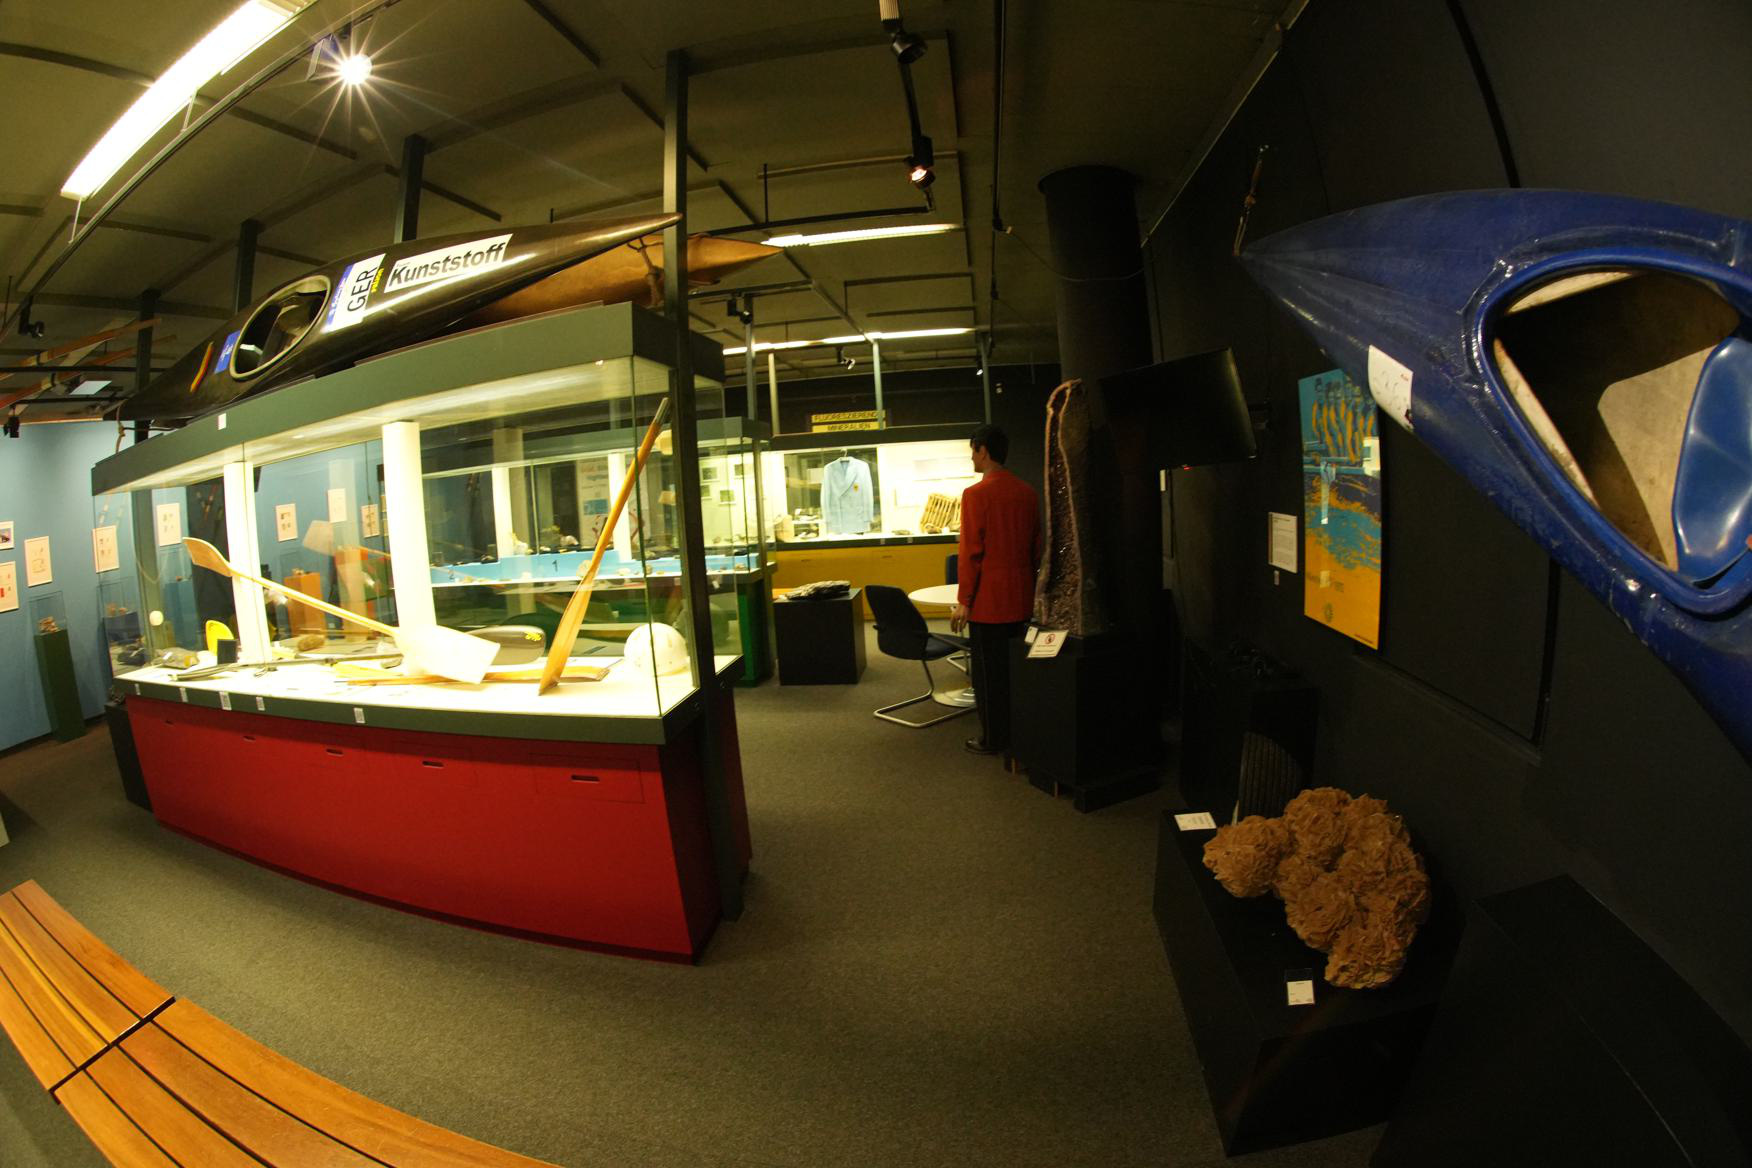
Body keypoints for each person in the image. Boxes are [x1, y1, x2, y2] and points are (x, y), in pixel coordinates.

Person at [950, 424, 1040, 757]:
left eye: (973, 451)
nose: (972, 458)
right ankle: (1020, 733)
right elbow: (1036, 548)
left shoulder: (976, 494)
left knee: (988, 677)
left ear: (983, 450)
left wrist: (964, 600)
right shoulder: (1027, 492)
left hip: (988, 602)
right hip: (1022, 596)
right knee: (1017, 671)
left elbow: (971, 553)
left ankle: (993, 738)